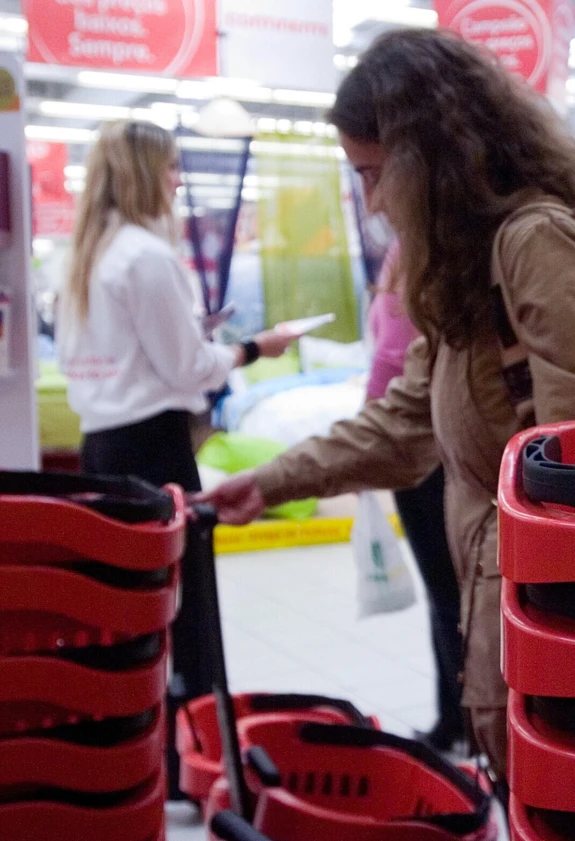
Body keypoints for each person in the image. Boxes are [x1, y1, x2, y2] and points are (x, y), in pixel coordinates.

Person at [198, 29, 575, 782]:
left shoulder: (537, 247)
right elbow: (404, 420)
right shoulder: (468, 275)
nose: (372, 203)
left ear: (429, 162)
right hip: (525, 650)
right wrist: (273, 480)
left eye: (374, 174)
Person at [55, 119, 294, 793]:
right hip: (155, 447)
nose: (178, 181)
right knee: (182, 604)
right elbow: (190, 370)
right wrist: (251, 348)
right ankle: (189, 752)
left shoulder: (85, 254)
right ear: (141, 174)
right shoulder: (146, 256)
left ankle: (128, 748)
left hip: (101, 447)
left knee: (118, 606)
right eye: (169, 170)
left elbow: (136, 357)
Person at [366, 239, 465, 752]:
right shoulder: (403, 251)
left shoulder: (435, 250)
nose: (372, 197)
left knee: (453, 597)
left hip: (430, 445)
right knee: (443, 593)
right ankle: (453, 714)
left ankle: (467, 718)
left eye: (374, 175)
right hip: (407, 442)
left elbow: (394, 352)